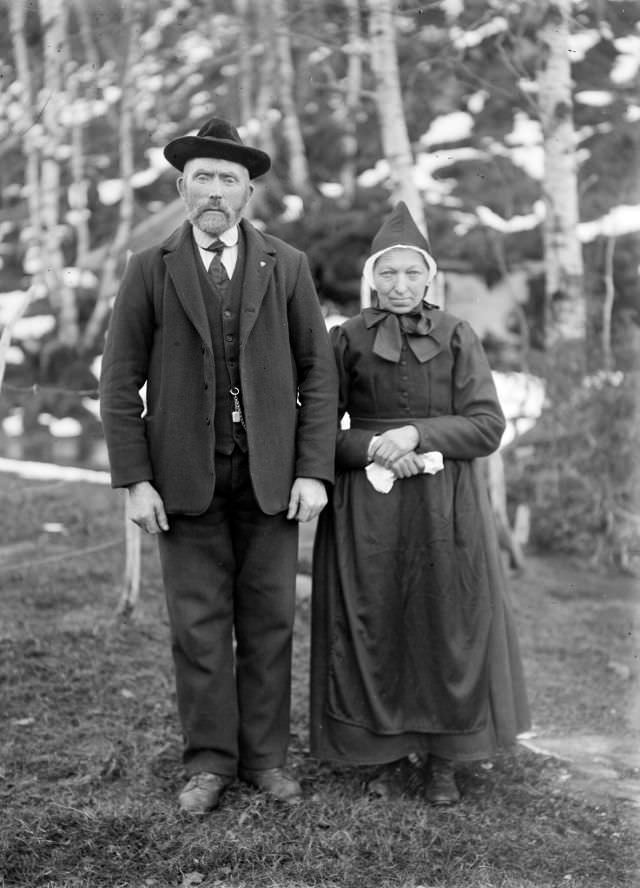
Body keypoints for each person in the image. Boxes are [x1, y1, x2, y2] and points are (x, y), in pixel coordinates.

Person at [99, 118, 338, 814]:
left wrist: (313, 471)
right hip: (183, 482)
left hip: (271, 479)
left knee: (269, 623)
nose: (213, 191)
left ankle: (265, 760)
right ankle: (208, 762)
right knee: (198, 627)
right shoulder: (149, 267)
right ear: (182, 187)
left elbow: (317, 376)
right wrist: (136, 479)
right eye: (201, 177)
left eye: (227, 179)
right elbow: (119, 383)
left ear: (247, 193)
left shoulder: (285, 265)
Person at [310, 201, 530, 804]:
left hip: (446, 506)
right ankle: (382, 752)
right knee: (375, 621)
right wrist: (376, 445)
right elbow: (319, 432)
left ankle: (443, 759)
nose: (400, 286)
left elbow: (487, 426)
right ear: (371, 277)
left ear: (429, 276)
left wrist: (418, 435)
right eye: (389, 273)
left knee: (446, 622)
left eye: (412, 273)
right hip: (369, 507)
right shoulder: (345, 339)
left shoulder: (458, 335)